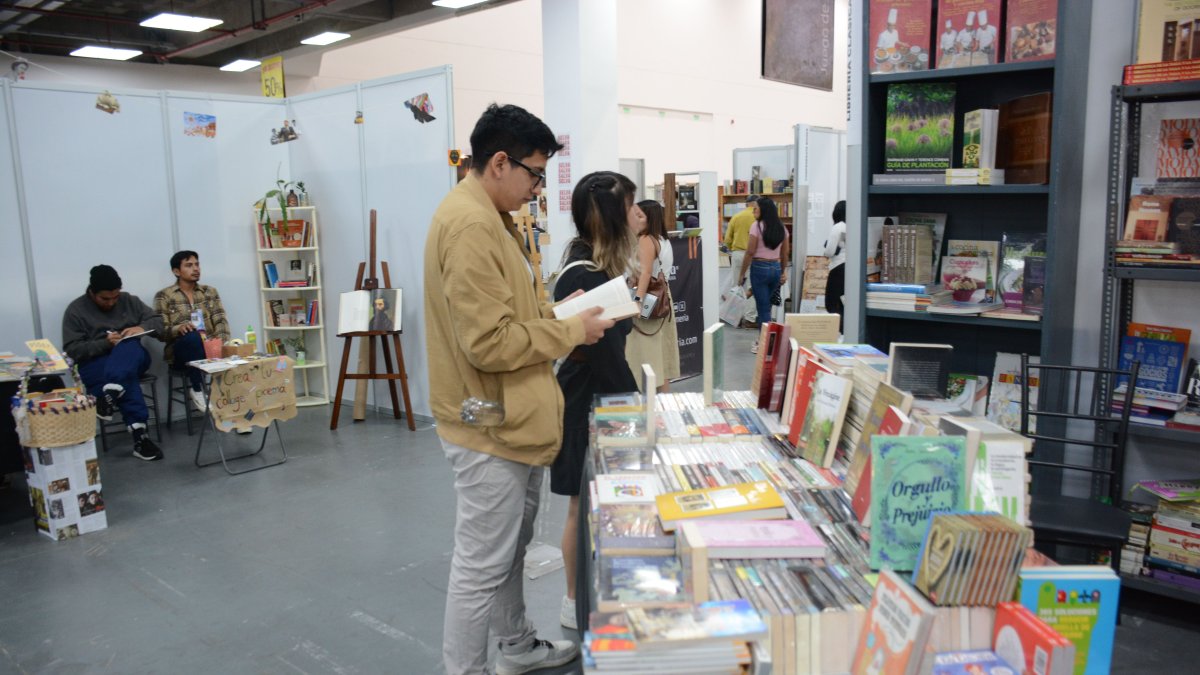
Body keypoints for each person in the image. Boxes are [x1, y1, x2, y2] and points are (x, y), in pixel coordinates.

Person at [423, 103, 611, 675]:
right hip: (488, 426)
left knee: (506, 554)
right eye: (533, 173)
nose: (537, 188)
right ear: (499, 162)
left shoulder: (490, 217)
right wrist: (571, 330)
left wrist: (558, 316)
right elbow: (489, 343)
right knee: (481, 566)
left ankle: (516, 645)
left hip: (511, 419)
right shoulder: (471, 225)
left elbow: (507, 314)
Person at [553, 171, 641, 632]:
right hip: (588, 400)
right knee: (581, 503)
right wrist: (638, 411)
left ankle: (590, 594)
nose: (638, 214)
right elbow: (606, 360)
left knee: (593, 503)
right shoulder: (585, 276)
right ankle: (573, 601)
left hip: (594, 394)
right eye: (630, 205)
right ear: (612, 216)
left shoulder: (592, 266)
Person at [63, 264, 164, 461]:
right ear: (92, 293)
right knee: (125, 379)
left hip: (132, 356)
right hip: (96, 363)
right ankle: (140, 437)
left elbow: (158, 322)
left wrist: (140, 327)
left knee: (129, 346)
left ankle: (109, 394)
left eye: (115, 297)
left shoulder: (129, 301)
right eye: (105, 299)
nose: (111, 303)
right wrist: (105, 344)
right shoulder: (76, 310)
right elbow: (72, 350)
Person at [154, 251, 231, 414]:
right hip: (181, 353)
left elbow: (221, 322)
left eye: (197, 264)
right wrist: (178, 329)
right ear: (176, 271)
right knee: (192, 337)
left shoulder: (209, 292)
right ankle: (197, 388)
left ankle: (239, 409)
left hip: (210, 350)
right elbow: (160, 333)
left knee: (235, 353)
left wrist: (221, 345)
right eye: (189, 265)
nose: (195, 269)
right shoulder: (164, 296)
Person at [626, 199, 681, 391]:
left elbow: (645, 273)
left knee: (644, 358)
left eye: (639, 215)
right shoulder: (663, 240)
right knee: (661, 362)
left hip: (647, 299)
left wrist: (638, 300)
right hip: (662, 300)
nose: (635, 219)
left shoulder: (645, 240)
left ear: (651, 218)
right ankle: (664, 409)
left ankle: (648, 409)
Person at [737, 197, 790, 352]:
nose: (753, 211)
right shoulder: (782, 228)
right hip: (775, 268)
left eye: (756, 209)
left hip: (759, 267)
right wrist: (783, 271)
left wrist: (742, 274)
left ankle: (764, 343)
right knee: (768, 306)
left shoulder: (756, 227)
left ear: (763, 210)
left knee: (763, 308)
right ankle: (765, 340)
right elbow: (785, 252)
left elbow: (750, 252)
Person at [723, 194, 759, 327]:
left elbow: (727, 239)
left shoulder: (736, 217)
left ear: (746, 204)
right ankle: (749, 319)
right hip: (754, 255)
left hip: (737, 254)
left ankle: (733, 318)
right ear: (756, 204)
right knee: (752, 287)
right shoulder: (758, 218)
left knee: (737, 286)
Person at [824, 201, 847, 335]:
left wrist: (826, 249)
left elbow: (829, 251)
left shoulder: (838, 227)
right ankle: (845, 332)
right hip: (851, 268)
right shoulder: (853, 225)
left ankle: (841, 332)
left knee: (831, 303)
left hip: (838, 268)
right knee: (844, 303)